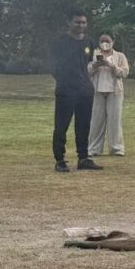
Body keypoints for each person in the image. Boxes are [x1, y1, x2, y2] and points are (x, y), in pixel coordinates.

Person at [53, 11, 103, 172]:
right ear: (70, 22)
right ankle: (60, 160)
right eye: (77, 22)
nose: (81, 25)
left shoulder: (89, 41)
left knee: (83, 126)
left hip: (85, 91)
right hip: (66, 91)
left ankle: (83, 158)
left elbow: (88, 64)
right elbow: (53, 66)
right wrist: (64, 81)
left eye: (83, 22)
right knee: (61, 126)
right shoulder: (61, 41)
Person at [87, 33, 129, 157]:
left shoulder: (120, 56)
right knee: (96, 121)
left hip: (114, 92)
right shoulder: (93, 54)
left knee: (114, 120)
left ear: (113, 41)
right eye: (102, 40)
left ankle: (117, 148)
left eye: (107, 40)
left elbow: (124, 72)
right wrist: (95, 65)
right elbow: (87, 70)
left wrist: (112, 66)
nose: (104, 43)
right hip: (97, 91)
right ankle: (94, 149)